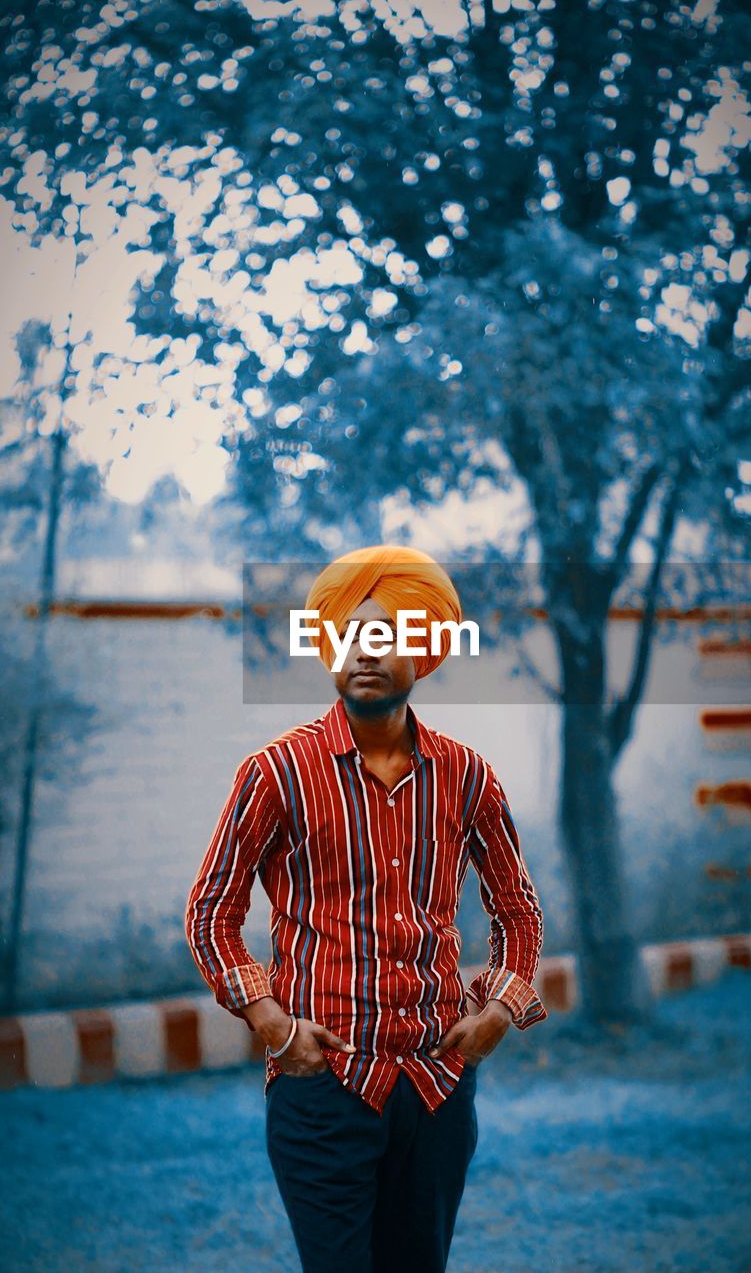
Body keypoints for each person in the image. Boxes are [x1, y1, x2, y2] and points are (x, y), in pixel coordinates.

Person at [185, 544, 548, 1273]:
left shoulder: (466, 775)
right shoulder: (274, 773)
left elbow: (517, 909)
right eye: (350, 635)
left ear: (422, 647)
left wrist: (499, 1011)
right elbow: (210, 914)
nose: (366, 653)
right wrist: (273, 1026)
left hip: (438, 1088)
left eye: (386, 636)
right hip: (325, 1089)